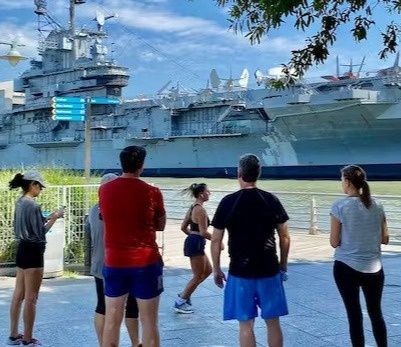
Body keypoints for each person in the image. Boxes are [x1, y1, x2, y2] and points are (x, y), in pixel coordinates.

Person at [211, 154, 290, 347]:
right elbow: (285, 237)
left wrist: (216, 268)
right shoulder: (271, 199)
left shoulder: (228, 201)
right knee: (273, 323)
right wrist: (283, 266)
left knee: (245, 325)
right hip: (269, 270)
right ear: (258, 173)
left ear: (239, 173)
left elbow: (215, 239)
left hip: (240, 272)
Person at [99, 146, 166, 347]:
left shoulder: (104, 189)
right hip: (146, 262)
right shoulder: (152, 191)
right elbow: (161, 225)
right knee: (149, 323)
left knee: (111, 320)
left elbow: (106, 218)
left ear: (121, 164)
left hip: (114, 262)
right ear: (142, 165)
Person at [330, 165, 389, 347]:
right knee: (376, 313)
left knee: (354, 315)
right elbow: (385, 238)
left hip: (346, 267)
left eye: (342, 180)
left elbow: (334, 242)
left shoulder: (339, 206)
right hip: (374, 269)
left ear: (347, 182)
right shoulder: (378, 205)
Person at [7, 171, 64, 346]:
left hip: (22, 249)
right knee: (32, 298)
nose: (41, 190)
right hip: (34, 253)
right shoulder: (33, 206)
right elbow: (41, 232)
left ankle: (14, 334)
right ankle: (28, 338)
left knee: (18, 295)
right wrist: (55, 217)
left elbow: (33, 224)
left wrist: (50, 217)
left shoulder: (20, 202)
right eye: (40, 186)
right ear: (33, 185)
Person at [86, 173, 141, 347]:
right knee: (128, 305)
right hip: (120, 265)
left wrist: (89, 263)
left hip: (98, 264)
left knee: (102, 305)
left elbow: (89, 240)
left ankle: (103, 343)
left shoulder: (93, 210)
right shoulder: (117, 209)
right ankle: (134, 342)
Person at [174, 183, 213, 314]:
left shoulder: (192, 208)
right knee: (198, 275)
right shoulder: (200, 210)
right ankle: (180, 302)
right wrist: (217, 240)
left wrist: (192, 236)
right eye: (208, 191)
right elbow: (203, 232)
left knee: (208, 270)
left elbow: (183, 227)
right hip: (196, 243)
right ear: (202, 194)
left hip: (194, 242)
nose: (210, 193)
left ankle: (186, 293)